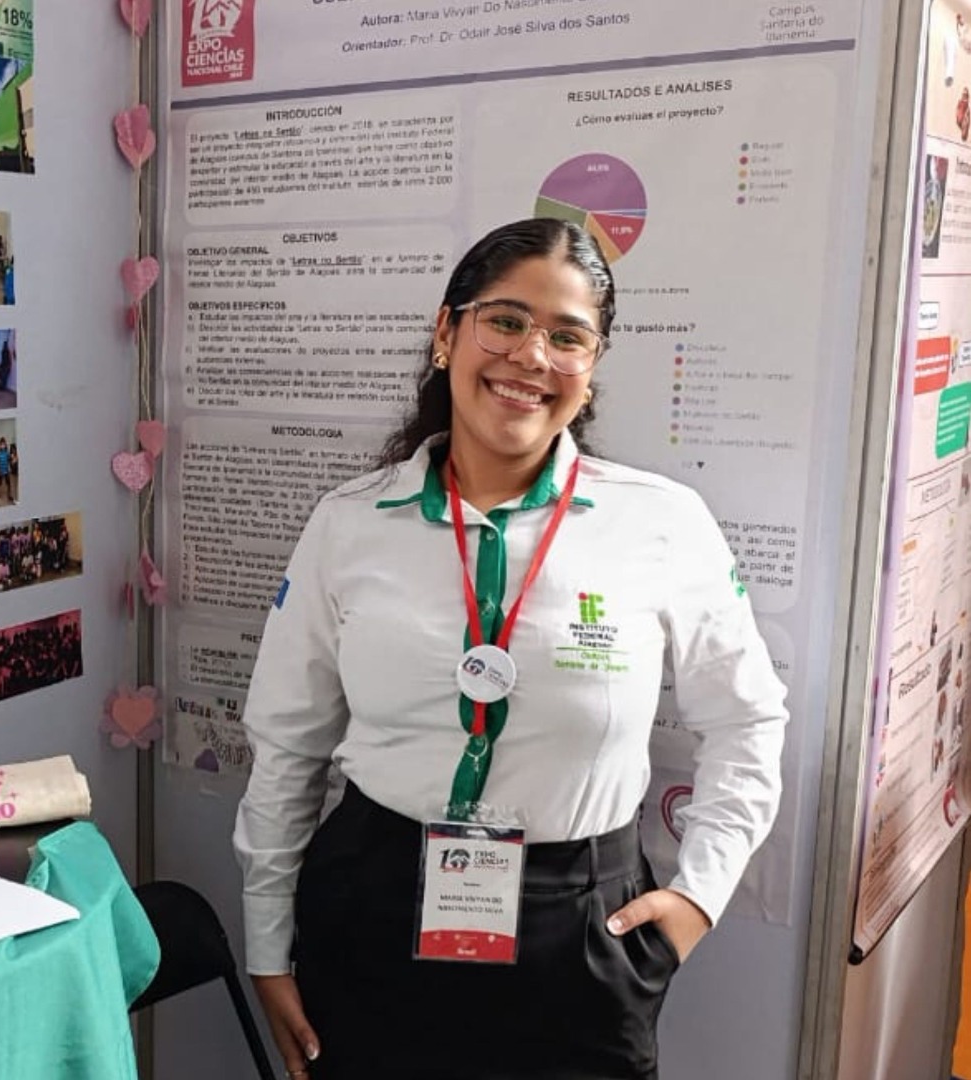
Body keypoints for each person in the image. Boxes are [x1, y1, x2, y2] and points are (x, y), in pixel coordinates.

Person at [234, 219, 788, 1080]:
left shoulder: (661, 523)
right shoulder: (350, 523)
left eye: (568, 336)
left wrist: (695, 896)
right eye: (505, 320)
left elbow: (748, 720)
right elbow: (286, 743)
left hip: (580, 930)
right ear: (447, 331)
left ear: (592, 366)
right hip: (374, 905)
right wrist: (267, 943)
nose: (531, 355)